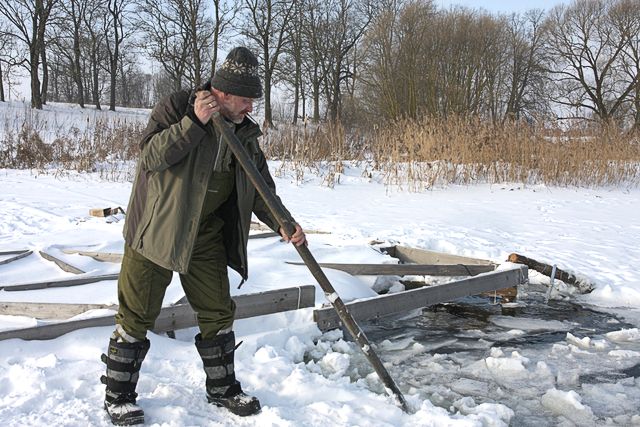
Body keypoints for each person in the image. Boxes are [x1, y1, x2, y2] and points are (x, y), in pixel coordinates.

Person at [100, 46, 306, 426]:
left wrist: (284, 222)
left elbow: (261, 186)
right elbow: (150, 157)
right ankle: (119, 396)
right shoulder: (177, 106)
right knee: (136, 315)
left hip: (206, 235)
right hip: (157, 231)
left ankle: (223, 389)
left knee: (217, 311)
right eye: (245, 100)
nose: (250, 108)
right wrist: (193, 124)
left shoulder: (245, 132)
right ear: (224, 93)